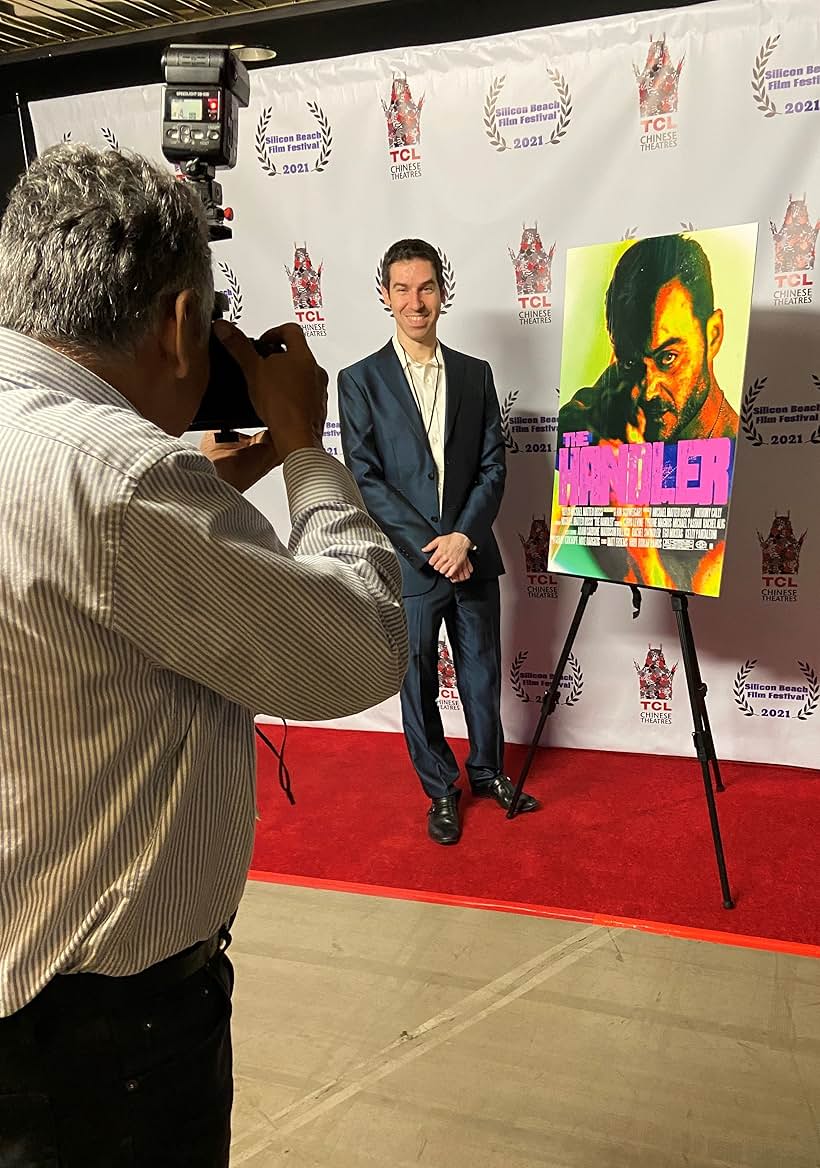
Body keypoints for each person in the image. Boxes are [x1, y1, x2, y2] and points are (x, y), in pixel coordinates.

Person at [0, 144, 407, 1168]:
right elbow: (360, 644)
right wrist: (306, 450)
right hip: (99, 1049)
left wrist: (212, 476)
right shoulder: (126, 484)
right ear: (184, 323)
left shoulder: (90, 466)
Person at [337, 238, 538, 848]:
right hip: (412, 566)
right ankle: (441, 791)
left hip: (472, 555)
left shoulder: (477, 375)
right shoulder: (359, 381)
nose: (415, 300)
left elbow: (493, 467)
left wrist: (463, 537)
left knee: (481, 675)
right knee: (417, 680)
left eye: (426, 287)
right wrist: (433, 545)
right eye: (402, 289)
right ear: (385, 297)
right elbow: (365, 476)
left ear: (442, 294)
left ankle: (487, 771)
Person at [557, 233, 737, 448]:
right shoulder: (632, 377)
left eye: (668, 357)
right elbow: (570, 419)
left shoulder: (737, 453)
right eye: (630, 363)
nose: (648, 391)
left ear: (713, 335)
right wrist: (593, 437)